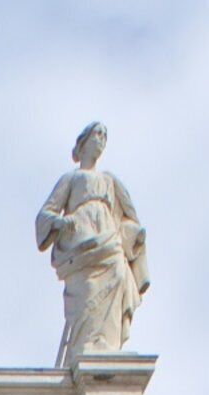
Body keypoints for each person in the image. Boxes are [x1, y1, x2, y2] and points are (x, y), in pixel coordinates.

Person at [33, 122, 147, 366]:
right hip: (81, 242)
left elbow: (129, 217)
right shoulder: (71, 178)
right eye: (97, 133)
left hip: (109, 240)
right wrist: (59, 222)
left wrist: (133, 235)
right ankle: (85, 346)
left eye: (105, 135)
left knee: (118, 275)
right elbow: (45, 214)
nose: (102, 139)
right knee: (87, 288)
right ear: (83, 142)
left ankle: (107, 345)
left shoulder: (110, 180)